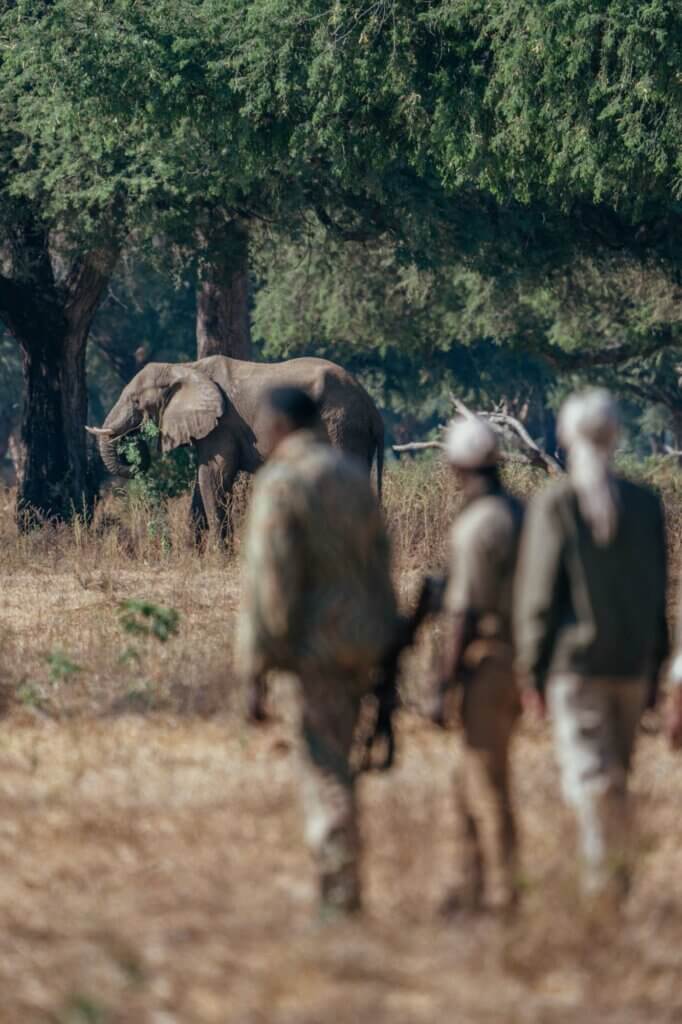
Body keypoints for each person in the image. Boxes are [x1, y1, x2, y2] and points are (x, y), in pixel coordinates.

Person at [236, 386, 397, 916]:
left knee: (324, 769)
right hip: (364, 644)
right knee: (341, 761)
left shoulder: (280, 482)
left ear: (281, 426)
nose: (257, 435)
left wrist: (256, 667)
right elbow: (381, 568)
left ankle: (340, 897)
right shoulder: (351, 479)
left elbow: (270, 581)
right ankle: (344, 882)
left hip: (314, 651)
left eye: (262, 425)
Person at [515, 388, 669, 910]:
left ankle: (603, 893)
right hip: (633, 666)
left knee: (591, 780)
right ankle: (617, 883)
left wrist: (530, 672)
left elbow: (538, 596)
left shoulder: (556, 503)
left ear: (565, 437)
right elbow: (658, 595)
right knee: (616, 779)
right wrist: (659, 671)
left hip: (574, 669)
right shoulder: (647, 504)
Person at [432, 414, 523, 913]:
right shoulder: (523, 514)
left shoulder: (477, 526)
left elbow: (463, 612)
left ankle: (507, 893)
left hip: (487, 660)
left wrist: (443, 681)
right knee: (468, 782)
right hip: (521, 658)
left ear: (456, 466)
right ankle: (467, 888)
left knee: (487, 783)